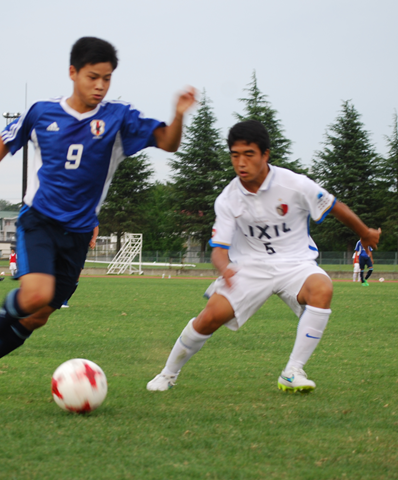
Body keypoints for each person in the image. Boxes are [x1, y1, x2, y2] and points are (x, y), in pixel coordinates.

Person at [0, 36, 196, 399]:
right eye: (92, 77)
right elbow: (7, 139)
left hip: (80, 232)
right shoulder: (42, 112)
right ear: (73, 72)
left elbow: (168, 142)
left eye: (107, 79)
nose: (100, 86)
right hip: (39, 220)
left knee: (38, 316)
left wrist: (178, 116)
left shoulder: (119, 118)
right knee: (37, 293)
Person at [147, 120, 381, 393]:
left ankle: (293, 371)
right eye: (235, 155)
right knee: (210, 317)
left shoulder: (294, 184)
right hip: (248, 267)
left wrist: (364, 232)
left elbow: (332, 205)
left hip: (295, 263)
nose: (241, 163)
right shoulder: (227, 199)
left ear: (265, 155)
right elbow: (219, 249)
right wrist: (224, 268)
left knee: (322, 288)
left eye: (249, 154)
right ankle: (167, 374)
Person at [62, 225, 98, 309]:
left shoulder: (86, 213)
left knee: (76, 274)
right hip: (66, 243)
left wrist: (93, 239)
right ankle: (60, 299)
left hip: (81, 246)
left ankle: (65, 299)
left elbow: (95, 225)